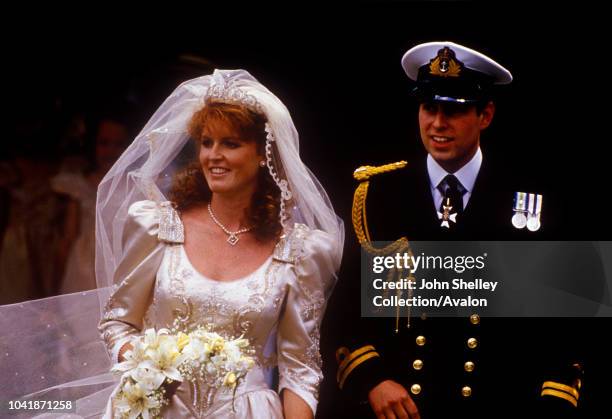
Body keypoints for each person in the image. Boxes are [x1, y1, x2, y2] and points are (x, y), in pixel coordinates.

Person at [326, 42, 608, 418]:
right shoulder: (378, 196)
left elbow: (571, 323)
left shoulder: (536, 202)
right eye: (429, 107)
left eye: (454, 110)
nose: (438, 123)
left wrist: (553, 401)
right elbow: (340, 311)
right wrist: (373, 379)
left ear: (485, 114)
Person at [95, 69, 344, 418]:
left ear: (263, 153)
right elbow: (117, 323)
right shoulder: (158, 226)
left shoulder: (299, 251)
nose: (214, 155)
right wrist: (148, 364)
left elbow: (299, 368)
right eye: (207, 142)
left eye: (231, 143)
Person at [52, 116, 130, 294]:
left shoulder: (133, 187)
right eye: (104, 143)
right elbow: (68, 237)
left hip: (119, 262)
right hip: (84, 267)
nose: (110, 151)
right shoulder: (80, 186)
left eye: (118, 145)